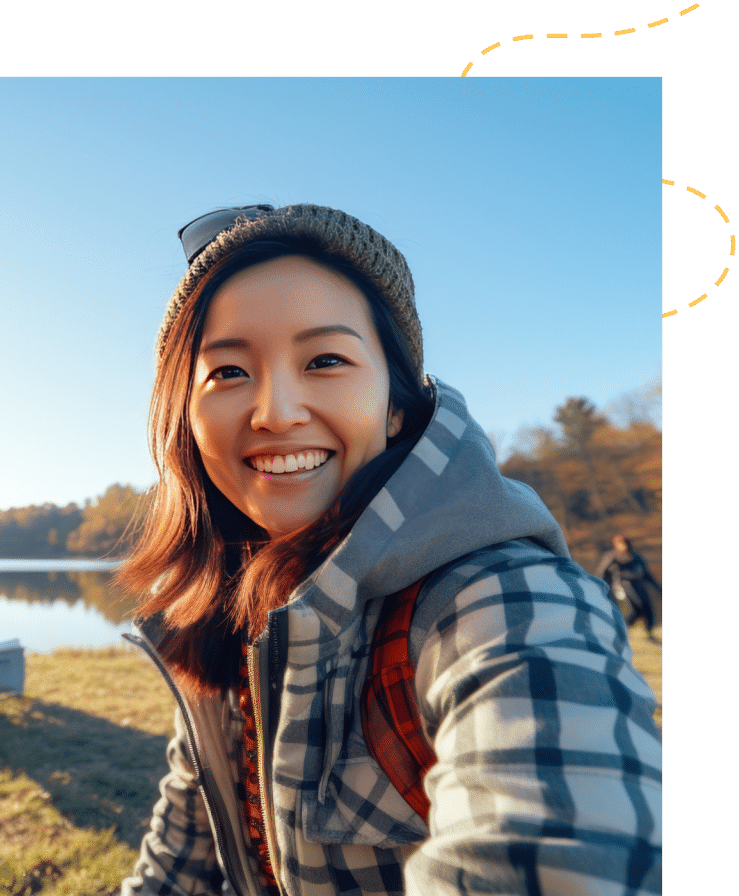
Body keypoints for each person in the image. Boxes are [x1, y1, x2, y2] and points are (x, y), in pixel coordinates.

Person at [118, 204, 662, 896]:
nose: (276, 412)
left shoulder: (497, 600)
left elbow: (567, 853)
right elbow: (181, 864)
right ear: (184, 417)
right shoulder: (226, 617)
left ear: (396, 404)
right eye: (227, 372)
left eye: (325, 361)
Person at [597, 535, 662, 642]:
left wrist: (658, 588)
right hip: (622, 587)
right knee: (637, 608)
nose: (624, 546)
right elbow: (602, 573)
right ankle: (622, 631)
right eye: (620, 544)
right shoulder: (612, 557)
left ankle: (648, 632)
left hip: (639, 586)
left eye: (625, 543)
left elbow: (647, 575)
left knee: (645, 609)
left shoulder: (636, 557)